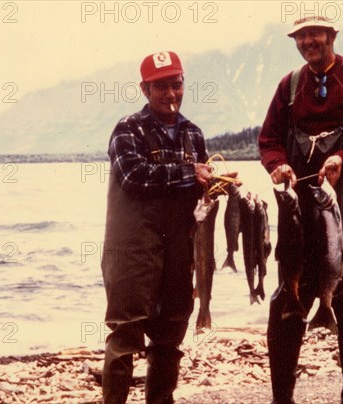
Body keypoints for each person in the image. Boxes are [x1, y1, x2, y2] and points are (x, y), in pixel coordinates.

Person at [258, 16, 343, 404]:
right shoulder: (289, 86)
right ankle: (282, 396)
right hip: (302, 215)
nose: (308, 41)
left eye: (315, 34)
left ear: (332, 36)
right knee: (288, 301)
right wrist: (277, 164)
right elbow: (268, 140)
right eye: (301, 36)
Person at [100, 51, 214, 404]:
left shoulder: (193, 134)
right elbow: (133, 177)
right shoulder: (128, 128)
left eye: (176, 85)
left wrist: (215, 185)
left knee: (170, 334)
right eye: (160, 86)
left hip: (180, 249)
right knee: (125, 335)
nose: (170, 94)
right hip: (132, 251)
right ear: (144, 89)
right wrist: (187, 173)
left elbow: (200, 193)